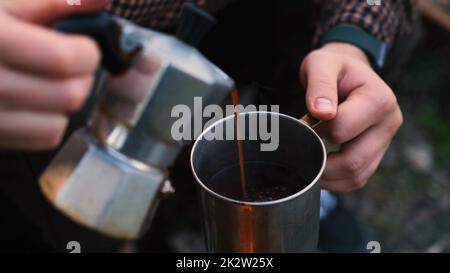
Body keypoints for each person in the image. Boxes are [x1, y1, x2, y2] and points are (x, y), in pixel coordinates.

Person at [0, 0, 413, 252]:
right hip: (61, 62)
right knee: (71, 225)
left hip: (240, 18)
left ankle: (309, 191)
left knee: (288, 102)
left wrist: (352, 42)